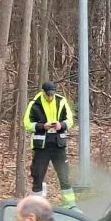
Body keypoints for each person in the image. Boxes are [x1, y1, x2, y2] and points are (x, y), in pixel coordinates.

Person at [22, 81, 77, 209]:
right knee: (38, 174)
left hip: (58, 144)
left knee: (64, 175)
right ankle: (36, 206)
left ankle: (70, 205)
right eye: (48, 94)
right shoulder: (34, 104)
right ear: (43, 92)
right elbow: (27, 123)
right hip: (42, 145)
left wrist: (61, 125)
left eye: (52, 94)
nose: (50, 97)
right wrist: (42, 126)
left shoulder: (61, 101)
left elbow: (70, 120)